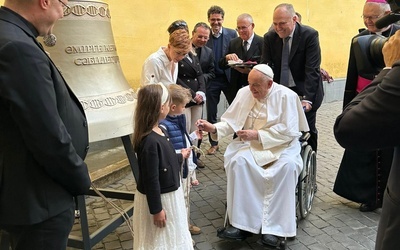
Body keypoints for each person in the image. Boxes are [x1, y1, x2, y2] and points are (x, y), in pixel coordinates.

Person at [0, 0, 91, 249]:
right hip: (40, 200)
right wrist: (79, 177)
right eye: (63, 3)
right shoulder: (18, 47)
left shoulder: (9, 34)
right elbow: (46, 134)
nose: (63, 12)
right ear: (45, 2)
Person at [196, 64, 309, 248]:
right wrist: (213, 127)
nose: (252, 89)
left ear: (270, 83)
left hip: (282, 146)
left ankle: (275, 229)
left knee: (287, 167)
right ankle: (242, 224)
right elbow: (232, 122)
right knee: (239, 162)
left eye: (256, 85)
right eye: (250, 84)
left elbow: (289, 132)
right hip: (252, 145)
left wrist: (257, 135)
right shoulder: (244, 93)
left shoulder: (287, 96)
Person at [334, 29, 400, 250]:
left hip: (375, 105)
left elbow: (346, 129)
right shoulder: (358, 39)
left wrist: (389, 69)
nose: (369, 21)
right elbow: (353, 74)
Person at [132, 84, 193, 249]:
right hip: (161, 200)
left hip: (170, 195)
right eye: (168, 103)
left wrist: (180, 156)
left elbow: (164, 160)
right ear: (161, 108)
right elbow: (150, 178)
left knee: (171, 237)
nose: (169, 106)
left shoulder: (160, 131)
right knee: (160, 239)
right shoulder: (150, 141)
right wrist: (156, 209)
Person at [261, 3, 324, 152]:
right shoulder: (270, 37)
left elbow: (312, 69)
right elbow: (265, 67)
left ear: (294, 19)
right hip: (281, 90)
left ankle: (311, 158)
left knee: (306, 129)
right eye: (275, 23)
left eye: (282, 23)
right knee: (280, 128)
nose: (278, 28)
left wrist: (307, 99)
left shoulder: (309, 35)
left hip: (305, 90)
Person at [159, 84, 202, 236]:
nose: (185, 109)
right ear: (173, 107)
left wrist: (193, 136)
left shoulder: (179, 118)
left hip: (184, 167)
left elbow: (183, 141)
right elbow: (168, 150)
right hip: (176, 170)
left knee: (186, 198)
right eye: (183, 106)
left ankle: (185, 224)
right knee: (179, 200)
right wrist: (182, 154)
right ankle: (180, 230)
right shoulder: (164, 125)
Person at [205, 5, 238, 155]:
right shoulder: (205, 35)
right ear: (208, 20)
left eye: (218, 19)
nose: (216, 23)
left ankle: (238, 141)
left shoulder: (232, 34)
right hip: (213, 79)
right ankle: (214, 143)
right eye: (213, 20)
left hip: (229, 78)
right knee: (212, 113)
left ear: (223, 19)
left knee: (237, 109)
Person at [220, 13, 263, 100]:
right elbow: (221, 65)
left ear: (252, 26)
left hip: (255, 89)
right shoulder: (233, 43)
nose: (240, 31)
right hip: (236, 90)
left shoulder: (262, 42)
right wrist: (227, 58)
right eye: (238, 28)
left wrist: (249, 71)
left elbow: (265, 66)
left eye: (243, 27)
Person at [191, 22, 215, 167]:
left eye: (206, 38)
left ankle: (196, 154)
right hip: (186, 95)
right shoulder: (184, 49)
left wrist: (200, 81)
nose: (203, 40)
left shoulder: (209, 52)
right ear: (193, 34)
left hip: (200, 95)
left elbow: (212, 73)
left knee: (198, 126)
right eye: (200, 36)